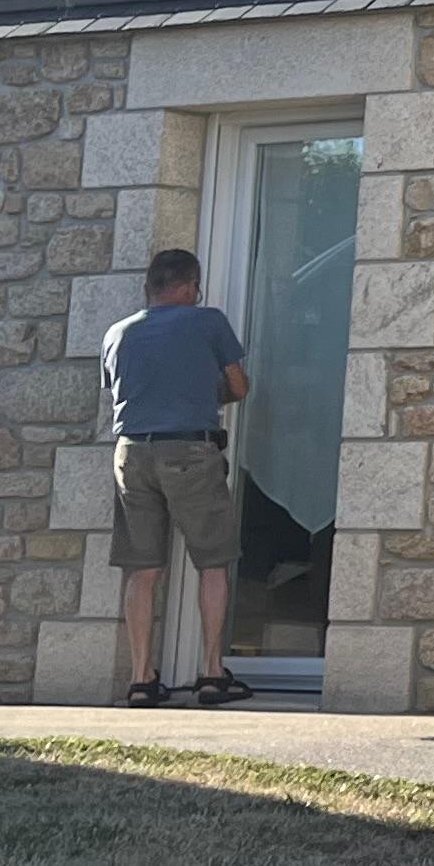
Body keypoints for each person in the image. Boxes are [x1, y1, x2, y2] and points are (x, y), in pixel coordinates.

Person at [106, 247, 251, 706]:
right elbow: (239, 386)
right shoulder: (208, 322)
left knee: (142, 569)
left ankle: (141, 679)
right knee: (213, 561)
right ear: (190, 286)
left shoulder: (117, 333)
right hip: (189, 449)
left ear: (149, 288)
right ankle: (211, 673)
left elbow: (124, 391)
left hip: (131, 453)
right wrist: (207, 395)